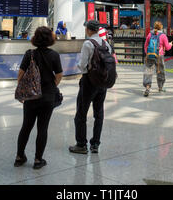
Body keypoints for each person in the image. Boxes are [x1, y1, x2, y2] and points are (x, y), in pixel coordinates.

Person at [15, 27, 63, 169]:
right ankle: (38, 160)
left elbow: (20, 75)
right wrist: (50, 86)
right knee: (43, 128)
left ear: (35, 38)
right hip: (47, 97)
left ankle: (19, 157)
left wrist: (24, 91)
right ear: (50, 39)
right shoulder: (54, 55)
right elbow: (59, 75)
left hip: (30, 97)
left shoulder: (29, 54)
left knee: (26, 127)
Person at [69, 20, 112, 154]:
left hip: (89, 82)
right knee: (99, 114)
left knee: (81, 113)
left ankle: (81, 144)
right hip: (102, 83)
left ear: (88, 30)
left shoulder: (88, 44)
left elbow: (82, 65)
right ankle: (95, 144)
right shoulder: (106, 44)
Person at [143, 21, 172, 97]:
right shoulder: (163, 36)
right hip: (159, 55)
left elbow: (145, 45)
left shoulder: (150, 34)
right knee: (160, 71)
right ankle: (160, 87)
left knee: (148, 71)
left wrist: (147, 53)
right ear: (161, 27)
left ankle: (147, 87)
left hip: (149, 55)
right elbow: (168, 47)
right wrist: (170, 44)